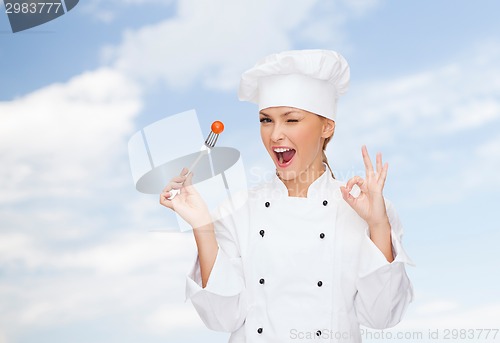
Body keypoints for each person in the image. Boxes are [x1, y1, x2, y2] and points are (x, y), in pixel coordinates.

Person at [160, 49, 414, 343]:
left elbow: (382, 317)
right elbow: (223, 318)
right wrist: (202, 227)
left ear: (327, 126)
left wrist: (378, 225)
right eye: (266, 120)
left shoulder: (370, 210)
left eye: (291, 120)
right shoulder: (238, 210)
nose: (275, 135)